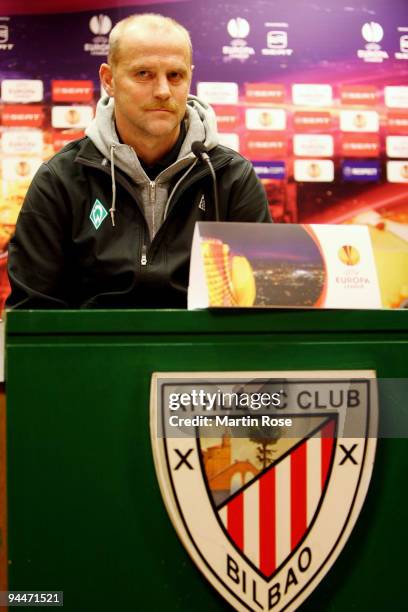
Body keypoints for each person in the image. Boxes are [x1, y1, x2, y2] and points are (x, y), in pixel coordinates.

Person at [7, 13, 271, 309]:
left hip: (202, 353)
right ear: (109, 80)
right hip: (93, 353)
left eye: (175, 75)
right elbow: (33, 313)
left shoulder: (231, 177)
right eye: (143, 74)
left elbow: (257, 308)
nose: (162, 91)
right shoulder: (60, 179)